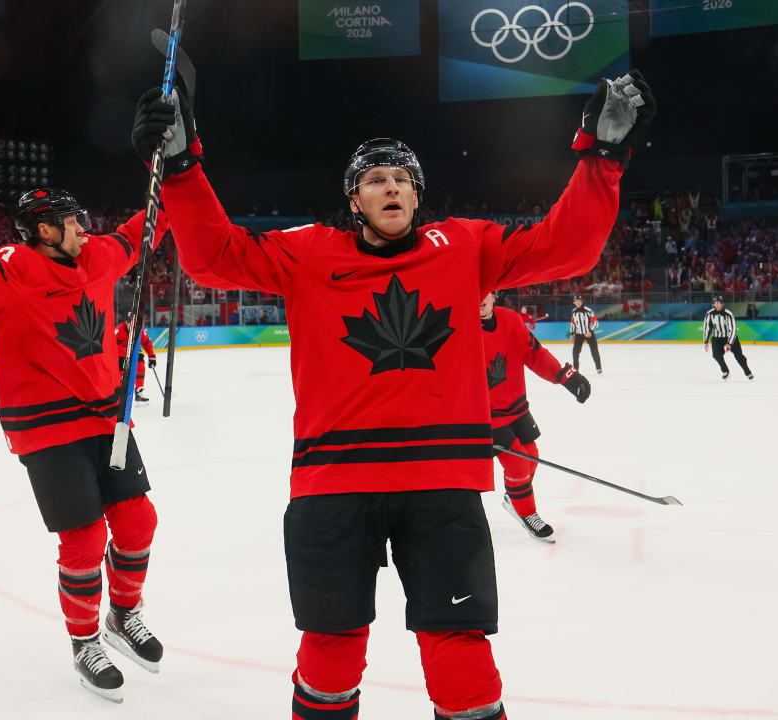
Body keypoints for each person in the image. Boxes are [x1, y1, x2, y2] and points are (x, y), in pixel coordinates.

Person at [138, 63, 653, 719]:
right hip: (332, 486)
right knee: (330, 650)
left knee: (459, 650)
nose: (390, 187)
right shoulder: (308, 252)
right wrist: (181, 167)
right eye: (374, 179)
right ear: (354, 199)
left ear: (417, 196)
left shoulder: (464, 245)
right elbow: (213, 257)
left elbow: (570, 247)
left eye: (402, 178)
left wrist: (603, 157)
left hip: (442, 486)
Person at [0, 149, 168, 703]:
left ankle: (123, 615)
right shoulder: (12, 269)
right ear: (44, 229)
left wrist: (171, 176)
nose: (84, 228)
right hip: (47, 429)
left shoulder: (100, 257)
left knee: (138, 522)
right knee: (83, 541)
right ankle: (84, 642)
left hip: (108, 416)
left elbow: (142, 231)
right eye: (73, 220)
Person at [481, 292, 590, 543]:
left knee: (531, 456)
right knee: (517, 464)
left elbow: (535, 354)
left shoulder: (510, 321)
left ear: (494, 294)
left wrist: (565, 377)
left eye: (484, 291)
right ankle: (528, 514)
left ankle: (514, 498)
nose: (479, 298)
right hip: (487, 415)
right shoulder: (462, 328)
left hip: (516, 407)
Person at [703, 295, 753, 380]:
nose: (717, 305)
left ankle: (747, 372)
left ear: (722, 304)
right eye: (715, 303)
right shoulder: (709, 314)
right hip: (717, 338)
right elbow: (707, 327)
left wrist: (729, 343)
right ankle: (725, 371)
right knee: (716, 355)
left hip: (730, 337)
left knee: (739, 356)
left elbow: (733, 329)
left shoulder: (728, 314)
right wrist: (706, 341)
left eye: (719, 303)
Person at [114, 315, 157, 405]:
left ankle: (139, 392)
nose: (131, 327)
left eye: (134, 324)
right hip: (120, 354)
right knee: (121, 374)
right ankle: (120, 395)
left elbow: (147, 343)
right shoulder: (118, 330)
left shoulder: (140, 331)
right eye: (130, 323)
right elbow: (110, 344)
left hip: (134, 351)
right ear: (126, 323)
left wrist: (152, 357)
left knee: (140, 366)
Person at [568, 295, 602, 374]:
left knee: (594, 351)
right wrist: (571, 334)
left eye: (578, 301)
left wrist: (590, 331)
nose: (577, 302)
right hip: (579, 334)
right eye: (575, 301)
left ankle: (598, 368)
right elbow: (573, 324)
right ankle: (575, 369)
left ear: (582, 301)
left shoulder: (588, 311)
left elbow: (595, 322)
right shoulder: (573, 312)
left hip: (589, 334)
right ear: (573, 302)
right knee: (575, 352)